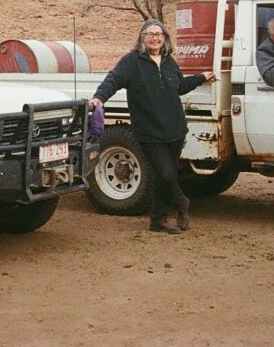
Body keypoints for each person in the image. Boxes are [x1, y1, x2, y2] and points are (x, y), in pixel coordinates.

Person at [89, 19, 215, 234]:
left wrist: (201, 77)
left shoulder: (168, 62)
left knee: (163, 177)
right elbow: (113, 79)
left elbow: (180, 87)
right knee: (166, 174)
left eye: (159, 34)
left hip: (175, 129)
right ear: (142, 38)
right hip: (149, 131)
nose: (155, 38)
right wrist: (99, 97)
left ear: (165, 38)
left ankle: (157, 221)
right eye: (150, 34)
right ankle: (182, 203)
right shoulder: (132, 62)